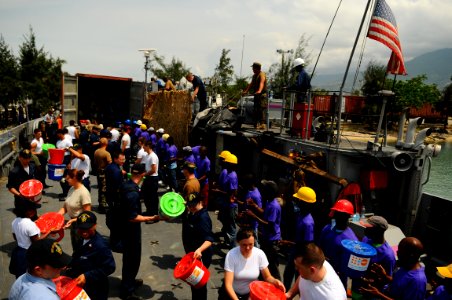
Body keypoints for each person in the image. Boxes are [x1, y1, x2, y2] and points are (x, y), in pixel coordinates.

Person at [119, 164, 161, 299]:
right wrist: (153, 217)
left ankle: (129, 281)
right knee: (132, 259)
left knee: (129, 259)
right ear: (143, 174)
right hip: (130, 231)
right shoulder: (132, 192)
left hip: (126, 228)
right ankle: (127, 290)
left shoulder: (126, 185)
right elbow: (133, 217)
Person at [221, 228, 285, 300]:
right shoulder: (231, 255)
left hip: (252, 294)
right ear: (238, 242)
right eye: (244, 245)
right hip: (233, 293)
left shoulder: (259, 254)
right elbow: (228, 284)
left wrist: (275, 281)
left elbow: (267, 277)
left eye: (251, 244)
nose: (248, 248)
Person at [66, 211, 116, 300]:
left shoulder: (101, 245)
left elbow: (109, 267)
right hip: (81, 284)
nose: (84, 233)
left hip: (96, 288)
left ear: (95, 225)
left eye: (87, 229)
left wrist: (87, 275)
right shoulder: (81, 239)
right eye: (81, 229)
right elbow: (78, 256)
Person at [360, 237, 427, 300]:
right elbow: (399, 283)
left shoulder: (418, 281)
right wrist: (384, 276)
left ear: (410, 255)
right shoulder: (406, 266)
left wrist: (378, 294)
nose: (397, 253)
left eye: (400, 252)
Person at [352, 216, 396, 299]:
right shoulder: (366, 239)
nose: (365, 230)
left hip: (370, 294)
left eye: (368, 228)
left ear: (378, 231)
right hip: (356, 288)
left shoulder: (388, 255)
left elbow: (387, 280)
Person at [245, 179, 282, 280]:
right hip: (267, 238)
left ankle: (280, 287)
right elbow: (264, 213)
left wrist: (253, 216)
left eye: (264, 189)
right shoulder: (269, 202)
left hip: (271, 240)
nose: (262, 191)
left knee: (272, 267)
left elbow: (269, 224)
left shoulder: (274, 206)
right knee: (264, 263)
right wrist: (255, 206)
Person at [182, 193, 214, 300]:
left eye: (193, 205)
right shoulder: (193, 212)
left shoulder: (203, 218)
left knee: (198, 284)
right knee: (193, 283)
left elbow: (209, 239)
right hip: (192, 255)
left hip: (201, 257)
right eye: (189, 205)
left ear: (201, 202)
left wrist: (200, 249)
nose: (191, 207)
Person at [318, 199, 357, 285]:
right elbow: (319, 248)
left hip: (338, 279)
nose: (337, 216)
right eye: (336, 213)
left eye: (341, 214)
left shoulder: (351, 240)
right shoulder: (327, 229)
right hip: (321, 272)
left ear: (348, 216)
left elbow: (350, 264)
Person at [284, 186, 316, 290]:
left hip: (300, 256)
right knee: (287, 275)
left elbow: (306, 245)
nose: (296, 201)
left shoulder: (308, 223)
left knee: (299, 282)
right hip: (294, 252)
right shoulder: (300, 214)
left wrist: (288, 243)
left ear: (305, 203)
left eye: (299, 200)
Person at [9, 198, 48, 278]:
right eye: (33, 209)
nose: (35, 211)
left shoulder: (15, 221)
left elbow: (15, 237)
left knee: (21, 275)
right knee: (32, 276)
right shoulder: (30, 224)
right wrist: (49, 232)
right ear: (28, 212)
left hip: (19, 252)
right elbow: (37, 242)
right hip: (29, 253)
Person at [58, 169, 92, 250]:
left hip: (81, 226)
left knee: (81, 249)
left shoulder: (84, 193)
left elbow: (87, 214)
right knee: (75, 247)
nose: (66, 179)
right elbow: (65, 207)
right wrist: (56, 216)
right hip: (73, 224)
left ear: (75, 178)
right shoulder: (72, 189)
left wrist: (74, 220)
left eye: (68, 178)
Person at [105, 151, 126, 251]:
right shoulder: (116, 171)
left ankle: (114, 241)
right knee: (117, 222)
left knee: (114, 220)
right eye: (121, 160)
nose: (123, 161)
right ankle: (116, 244)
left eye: (124, 159)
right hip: (115, 198)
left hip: (110, 196)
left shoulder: (110, 167)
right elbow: (119, 186)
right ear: (115, 159)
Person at [243, 62, 268, 130]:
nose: (252, 70)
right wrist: (246, 91)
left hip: (262, 94)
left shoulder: (262, 74)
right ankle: (256, 123)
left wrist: (259, 90)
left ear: (256, 68)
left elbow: (262, 83)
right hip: (257, 94)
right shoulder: (254, 75)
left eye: (253, 68)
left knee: (261, 108)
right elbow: (251, 84)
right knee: (256, 109)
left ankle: (263, 124)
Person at [140, 141, 159, 217]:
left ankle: (154, 214)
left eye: (144, 146)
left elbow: (153, 170)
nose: (143, 147)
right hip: (148, 177)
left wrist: (144, 174)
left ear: (148, 146)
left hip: (152, 178)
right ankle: (149, 211)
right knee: (146, 195)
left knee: (152, 197)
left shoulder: (153, 156)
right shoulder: (148, 155)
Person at [94, 137, 112, 213]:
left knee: (100, 188)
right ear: (106, 143)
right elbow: (110, 164)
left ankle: (100, 203)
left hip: (99, 171)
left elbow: (94, 162)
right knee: (104, 189)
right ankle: (103, 206)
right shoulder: (106, 153)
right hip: (104, 172)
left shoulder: (96, 151)